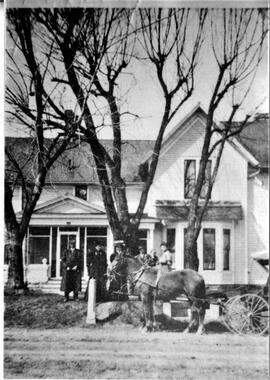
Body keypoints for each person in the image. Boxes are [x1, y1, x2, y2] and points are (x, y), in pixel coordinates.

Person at [60, 238, 83, 302]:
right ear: (69, 245)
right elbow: (63, 260)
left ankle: (75, 297)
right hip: (67, 270)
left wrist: (77, 266)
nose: (72, 245)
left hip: (75, 270)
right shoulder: (66, 252)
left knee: (75, 284)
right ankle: (66, 297)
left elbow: (80, 261)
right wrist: (66, 266)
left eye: (73, 244)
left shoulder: (78, 252)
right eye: (71, 244)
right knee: (67, 284)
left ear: (75, 244)